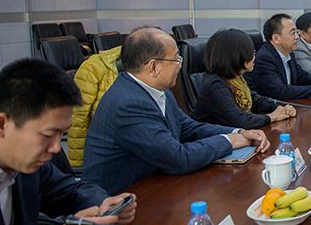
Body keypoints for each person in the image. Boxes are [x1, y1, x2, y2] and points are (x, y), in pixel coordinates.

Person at [0, 59, 137, 225]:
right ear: (1, 125)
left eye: (62, 135)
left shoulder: (26, 162)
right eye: (48, 135)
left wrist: (105, 204)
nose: (57, 148)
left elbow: (69, 190)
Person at [83, 27, 269, 193]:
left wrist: (238, 132)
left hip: (154, 184)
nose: (180, 65)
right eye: (176, 59)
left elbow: (187, 127)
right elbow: (178, 158)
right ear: (154, 66)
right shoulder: (129, 103)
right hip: (118, 200)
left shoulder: (158, 89)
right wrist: (228, 141)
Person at [193, 29, 297, 129]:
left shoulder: (235, 78)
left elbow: (256, 101)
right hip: (215, 138)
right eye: (251, 52)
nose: (254, 56)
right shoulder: (215, 85)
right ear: (236, 56)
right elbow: (241, 121)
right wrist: (272, 117)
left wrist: (280, 107)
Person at [247, 14, 311, 101]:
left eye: (297, 32)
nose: (297, 37)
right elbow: (280, 91)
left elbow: (301, 76)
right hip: (267, 110)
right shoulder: (264, 58)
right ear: (276, 38)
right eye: (293, 33)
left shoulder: (289, 52)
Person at [67, 44, 122, 169]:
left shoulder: (155, 70)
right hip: (103, 154)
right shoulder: (93, 68)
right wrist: (77, 166)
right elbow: (78, 119)